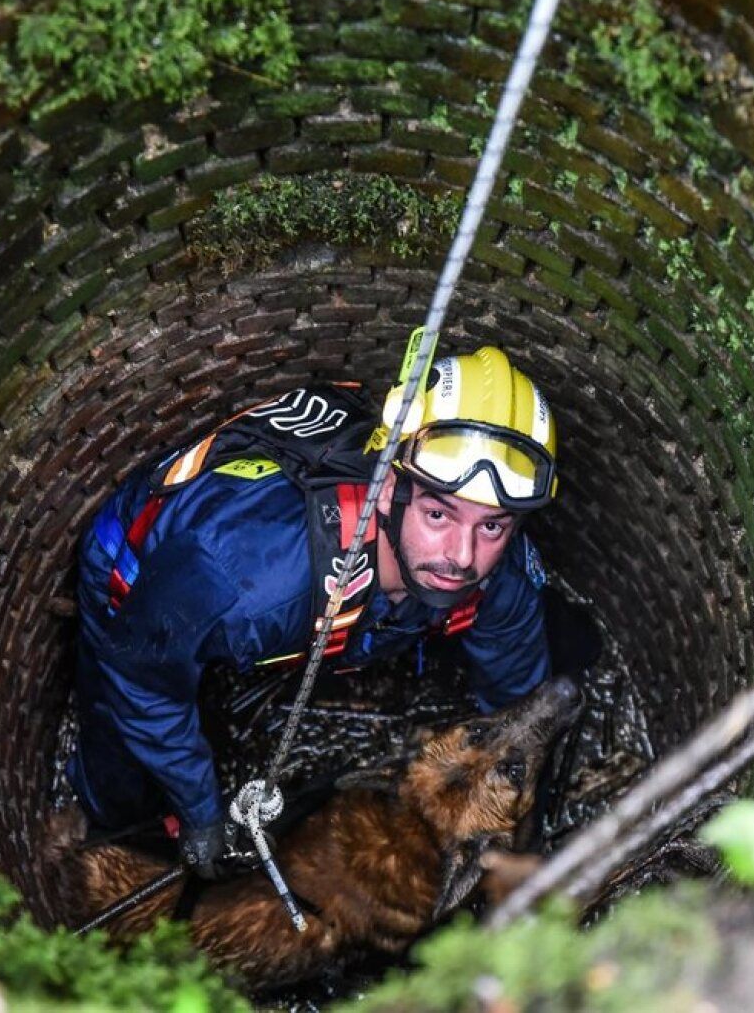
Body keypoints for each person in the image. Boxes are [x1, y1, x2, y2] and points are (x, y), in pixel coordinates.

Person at [66, 345, 561, 878]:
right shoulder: (247, 586)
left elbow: (518, 696)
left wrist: (514, 798)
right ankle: (107, 819)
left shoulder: (495, 573)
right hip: (149, 578)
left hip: (290, 605)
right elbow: (144, 686)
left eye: (492, 526)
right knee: (121, 741)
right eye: (438, 513)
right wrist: (200, 813)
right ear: (390, 485)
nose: (462, 557)